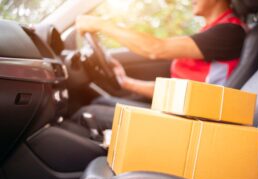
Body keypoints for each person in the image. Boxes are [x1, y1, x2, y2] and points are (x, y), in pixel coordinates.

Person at [73, 0, 246, 131]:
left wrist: (100, 25)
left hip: (188, 123)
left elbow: (156, 49)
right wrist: (127, 83)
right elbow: (178, 91)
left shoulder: (229, 32)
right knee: (100, 101)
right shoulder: (214, 31)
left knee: (86, 114)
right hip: (179, 111)